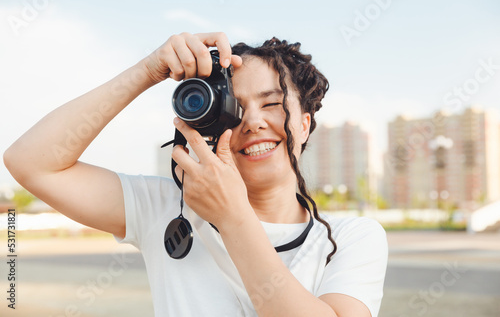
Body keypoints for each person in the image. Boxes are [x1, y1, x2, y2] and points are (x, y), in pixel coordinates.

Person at [4, 32, 387, 316]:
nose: (252, 122)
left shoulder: (352, 238)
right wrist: (146, 71)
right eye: (235, 108)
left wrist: (232, 216)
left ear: (304, 124)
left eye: (271, 104)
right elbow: (31, 162)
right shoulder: (168, 207)